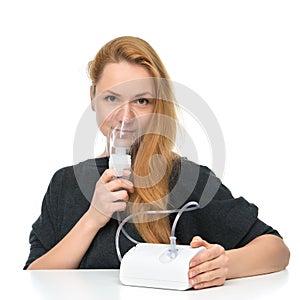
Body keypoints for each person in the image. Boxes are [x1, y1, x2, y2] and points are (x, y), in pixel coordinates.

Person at [24, 36, 290, 290]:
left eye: (141, 101)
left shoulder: (185, 179)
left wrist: (223, 265)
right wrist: (94, 217)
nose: (125, 117)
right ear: (93, 97)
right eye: (112, 98)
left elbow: (276, 249)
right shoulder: (65, 183)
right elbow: (34, 277)